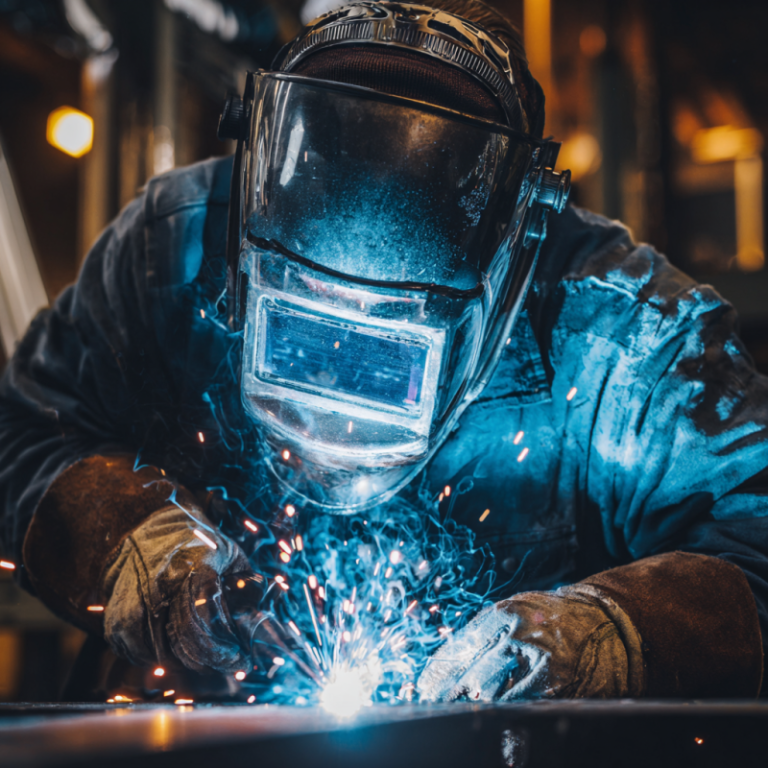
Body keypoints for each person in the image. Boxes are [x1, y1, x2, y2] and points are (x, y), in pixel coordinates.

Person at [1, 0, 766, 703]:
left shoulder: (626, 339)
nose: (333, 414)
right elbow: (22, 428)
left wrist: (615, 632)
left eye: (376, 360)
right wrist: (129, 544)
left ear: (506, 267)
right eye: (304, 340)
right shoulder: (173, 250)